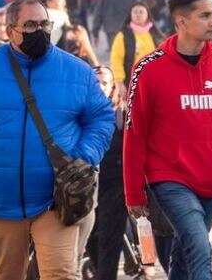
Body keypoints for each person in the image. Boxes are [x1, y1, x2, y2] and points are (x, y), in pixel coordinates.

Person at [0, 0, 115, 280]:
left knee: (61, 274)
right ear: (10, 30)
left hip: (57, 198)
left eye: (44, 24)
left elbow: (101, 117)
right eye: (30, 25)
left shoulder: (76, 71)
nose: (39, 30)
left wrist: (84, 156)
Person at [123, 0, 212, 280]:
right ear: (181, 22)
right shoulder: (147, 68)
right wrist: (133, 192)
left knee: (184, 253)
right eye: (205, 15)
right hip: (168, 177)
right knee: (200, 247)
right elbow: (135, 133)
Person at [88, 65, 129, 280]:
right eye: (95, 82)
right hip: (85, 188)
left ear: (112, 86)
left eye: (104, 82)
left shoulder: (122, 115)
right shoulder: (80, 116)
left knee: (108, 243)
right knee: (89, 239)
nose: (99, 86)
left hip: (115, 189)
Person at [109, 2, 164, 93]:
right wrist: (119, 82)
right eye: (135, 12)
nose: (137, 15)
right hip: (131, 82)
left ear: (148, 15)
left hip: (155, 82)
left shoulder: (156, 36)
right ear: (130, 15)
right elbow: (116, 60)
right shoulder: (123, 36)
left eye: (141, 12)